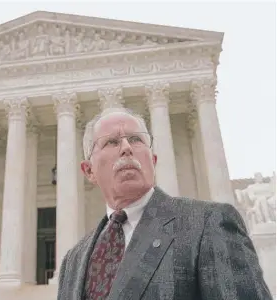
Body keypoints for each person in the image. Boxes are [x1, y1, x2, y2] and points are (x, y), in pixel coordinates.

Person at [57, 108, 272, 300]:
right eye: (111, 142)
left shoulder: (208, 224)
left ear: (153, 160)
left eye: (135, 140)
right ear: (89, 171)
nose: (126, 148)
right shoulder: (73, 262)